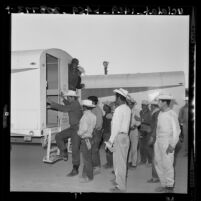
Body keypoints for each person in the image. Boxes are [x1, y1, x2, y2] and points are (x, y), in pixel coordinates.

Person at [47, 90, 83, 177]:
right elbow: (68, 105)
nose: (67, 98)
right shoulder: (73, 103)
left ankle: (75, 168)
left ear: (72, 97)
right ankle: (64, 151)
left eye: (68, 97)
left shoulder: (75, 104)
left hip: (77, 129)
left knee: (75, 148)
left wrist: (51, 102)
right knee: (58, 136)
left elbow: (64, 108)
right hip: (72, 128)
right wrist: (63, 98)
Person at [105, 88, 131, 192]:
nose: (115, 99)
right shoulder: (128, 109)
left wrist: (110, 142)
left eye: (116, 97)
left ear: (120, 98)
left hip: (119, 137)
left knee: (119, 163)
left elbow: (115, 127)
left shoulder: (119, 109)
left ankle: (121, 187)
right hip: (125, 137)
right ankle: (119, 181)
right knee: (121, 162)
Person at [154, 93, 181, 193]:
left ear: (165, 102)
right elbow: (158, 129)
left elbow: (177, 131)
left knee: (168, 164)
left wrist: (172, 145)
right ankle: (163, 184)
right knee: (158, 163)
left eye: (159, 101)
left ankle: (170, 187)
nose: (158, 103)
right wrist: (156, 142)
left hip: (167, 142)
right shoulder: (160, 113)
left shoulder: (172, 114)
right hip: (159, 141)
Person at [77, 100, 96, 183]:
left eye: (82, 106)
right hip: (90, 138)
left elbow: (84, 129)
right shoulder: (93, 116)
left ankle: (89, 176)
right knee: (87, 157)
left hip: (85, 139)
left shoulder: (85, 116)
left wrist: (78, 133)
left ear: (84, 107)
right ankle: (84, 174)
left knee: (86, 159)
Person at [88, 96, 103, 175]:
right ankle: (95, 166)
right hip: (92, 132)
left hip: (96, 132)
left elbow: (99, 123)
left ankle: (96, 168)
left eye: (89, 101)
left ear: (93, 102)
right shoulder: (92, 109)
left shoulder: (97, 110)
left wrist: (94, 130)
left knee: (94, 150)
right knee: (93, 150)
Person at [147, 99, 160, 183]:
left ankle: (155, 177)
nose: (150, 107)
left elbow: (156, 126)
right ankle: (157, 176)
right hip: (155, 136)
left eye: (151, 106)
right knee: (155, 157)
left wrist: (152, 137)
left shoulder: (156, 113)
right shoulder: (156, 113)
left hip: (155, 137)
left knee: (155, 158)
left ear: (154, 106)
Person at [127, 97, 141, 168]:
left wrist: (135, 126)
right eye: (129, 104)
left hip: (134, 130)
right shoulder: (125, 111)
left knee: (134, 147)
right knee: (127, 147)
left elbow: (139, 121)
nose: (130, 105)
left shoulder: (136, 111)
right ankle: (129, 161)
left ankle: (134, 163)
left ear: (133, 104)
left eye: (132, 104)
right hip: (127, 131)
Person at [138, 100, 152, 166]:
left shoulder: (150, 113)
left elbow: (150, 122)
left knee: (148, 147)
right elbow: (140, 122)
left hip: (148, 131)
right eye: (142, 105)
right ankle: (143, 160)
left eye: (144, 105)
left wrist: (141, 120)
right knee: (141, 146)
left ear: (147, 106)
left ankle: (150, 161)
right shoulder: (140, 112)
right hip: (141, 130)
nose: (143, 107)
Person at [102, 101, 113, 169]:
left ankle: (110, 164)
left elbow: (110, 126)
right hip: (106, 133)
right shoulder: (106, 114)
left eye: (105, 105)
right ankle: (109, 163)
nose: (103, 107)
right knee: (108, 149)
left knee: (109, 149)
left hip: (108, 134)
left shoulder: (109, 115)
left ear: (108, 107)